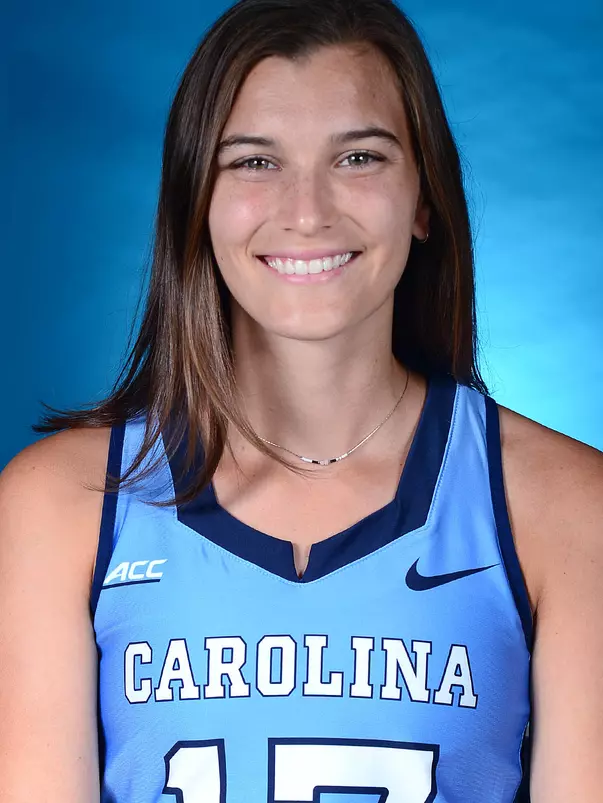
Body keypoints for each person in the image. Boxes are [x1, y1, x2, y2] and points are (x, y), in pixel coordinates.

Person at [1, 0, 601, 800]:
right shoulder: (59, 506)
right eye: (253, 162)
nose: (308, 212)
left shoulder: (566, 507)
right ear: (195, 202)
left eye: (358, 158)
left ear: (424, 198)